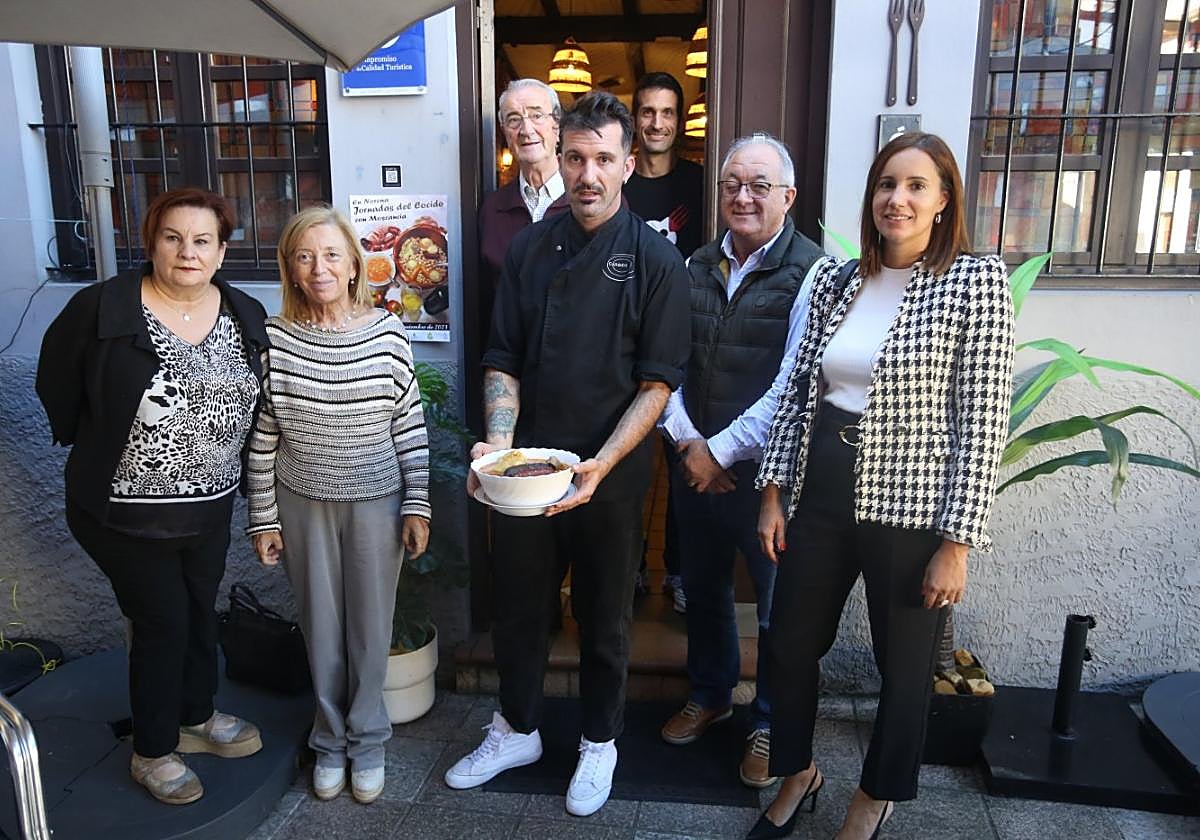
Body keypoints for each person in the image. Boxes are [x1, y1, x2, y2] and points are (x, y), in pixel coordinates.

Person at [749, 132, 1015, 840]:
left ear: (943, 199)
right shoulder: (838, 278)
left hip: (913, 504)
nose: (897, 199)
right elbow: (799, 392)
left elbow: (983, 418)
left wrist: (958, 541)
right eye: (886, 185)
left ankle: (876, 796)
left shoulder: (974, 280)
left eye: (915, 186)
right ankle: (800, 771)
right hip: (822, 491)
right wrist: (773, 492)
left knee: (903, 668)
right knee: (790, 642)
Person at [444, 91, 690, 817]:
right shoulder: (528, 248)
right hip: (527, 469)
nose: (587, 174)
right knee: (519, 606)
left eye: (603, 160)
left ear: (629, 165)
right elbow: (503, 356)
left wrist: (603, 464)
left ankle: (598, 741)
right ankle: (516, 727)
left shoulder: (654, 260)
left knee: (605, 611)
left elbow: (657, 383)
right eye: (575, 158)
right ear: (562, 156)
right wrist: (499, 441)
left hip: (610, 471)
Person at [36, 188, 268, 806]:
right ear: (152, 244)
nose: (186, 252)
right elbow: (56, 378)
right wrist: (91, 440)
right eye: (172, 238)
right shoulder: (104, 308)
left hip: (209, 507)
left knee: (199, 611)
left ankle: (197, 715)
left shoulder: (242, 311)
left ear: (222, 251)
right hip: (121, 511)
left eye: (201, 241)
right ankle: (154, 750)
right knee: (163, 619)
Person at [246, 205, 431, 805]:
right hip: (303, 502)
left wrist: (419, 505)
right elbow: (264, 434)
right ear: (291, 271)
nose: (319, 267)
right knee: (320, 628)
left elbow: (409, 424)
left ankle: (368, 739)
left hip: (377, 501)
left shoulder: (388, 333)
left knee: (369, 631)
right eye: (304, 256)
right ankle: (329, 742)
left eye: (330, 254)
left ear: (355, 263)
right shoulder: (275, 338)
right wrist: (263, 517)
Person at [657, 134, 824, 790]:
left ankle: (771, 721)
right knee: (702, 589)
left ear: (788, 196)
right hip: (694, 462)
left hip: (770, 477)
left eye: (759, 185)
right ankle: (712, 692)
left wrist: (719, 451)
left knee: (779, 607)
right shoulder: (694, 266)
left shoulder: (815, 273)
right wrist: (690, 444)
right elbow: (664, 363)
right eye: (732, 184)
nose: (743, 196)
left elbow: (795, 383)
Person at [623, 71, 705, 613]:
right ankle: (627, 568)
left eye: (667, 113)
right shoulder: (619, 182)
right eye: (648, 112)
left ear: (679, 120)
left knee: (683, 463)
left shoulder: (699, 183)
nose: (657, 123)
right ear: (635, 119)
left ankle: (678, 572)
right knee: (627, 464)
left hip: (685, 340)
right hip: (625, 340)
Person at [477, 79, 571, 335]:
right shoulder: (493, 209)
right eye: (514, 119)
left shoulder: (588, 202)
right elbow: (486, 300)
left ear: (556, 124)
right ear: (505, 132)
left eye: (536, 115)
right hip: (511, 366)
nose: (526, 129)